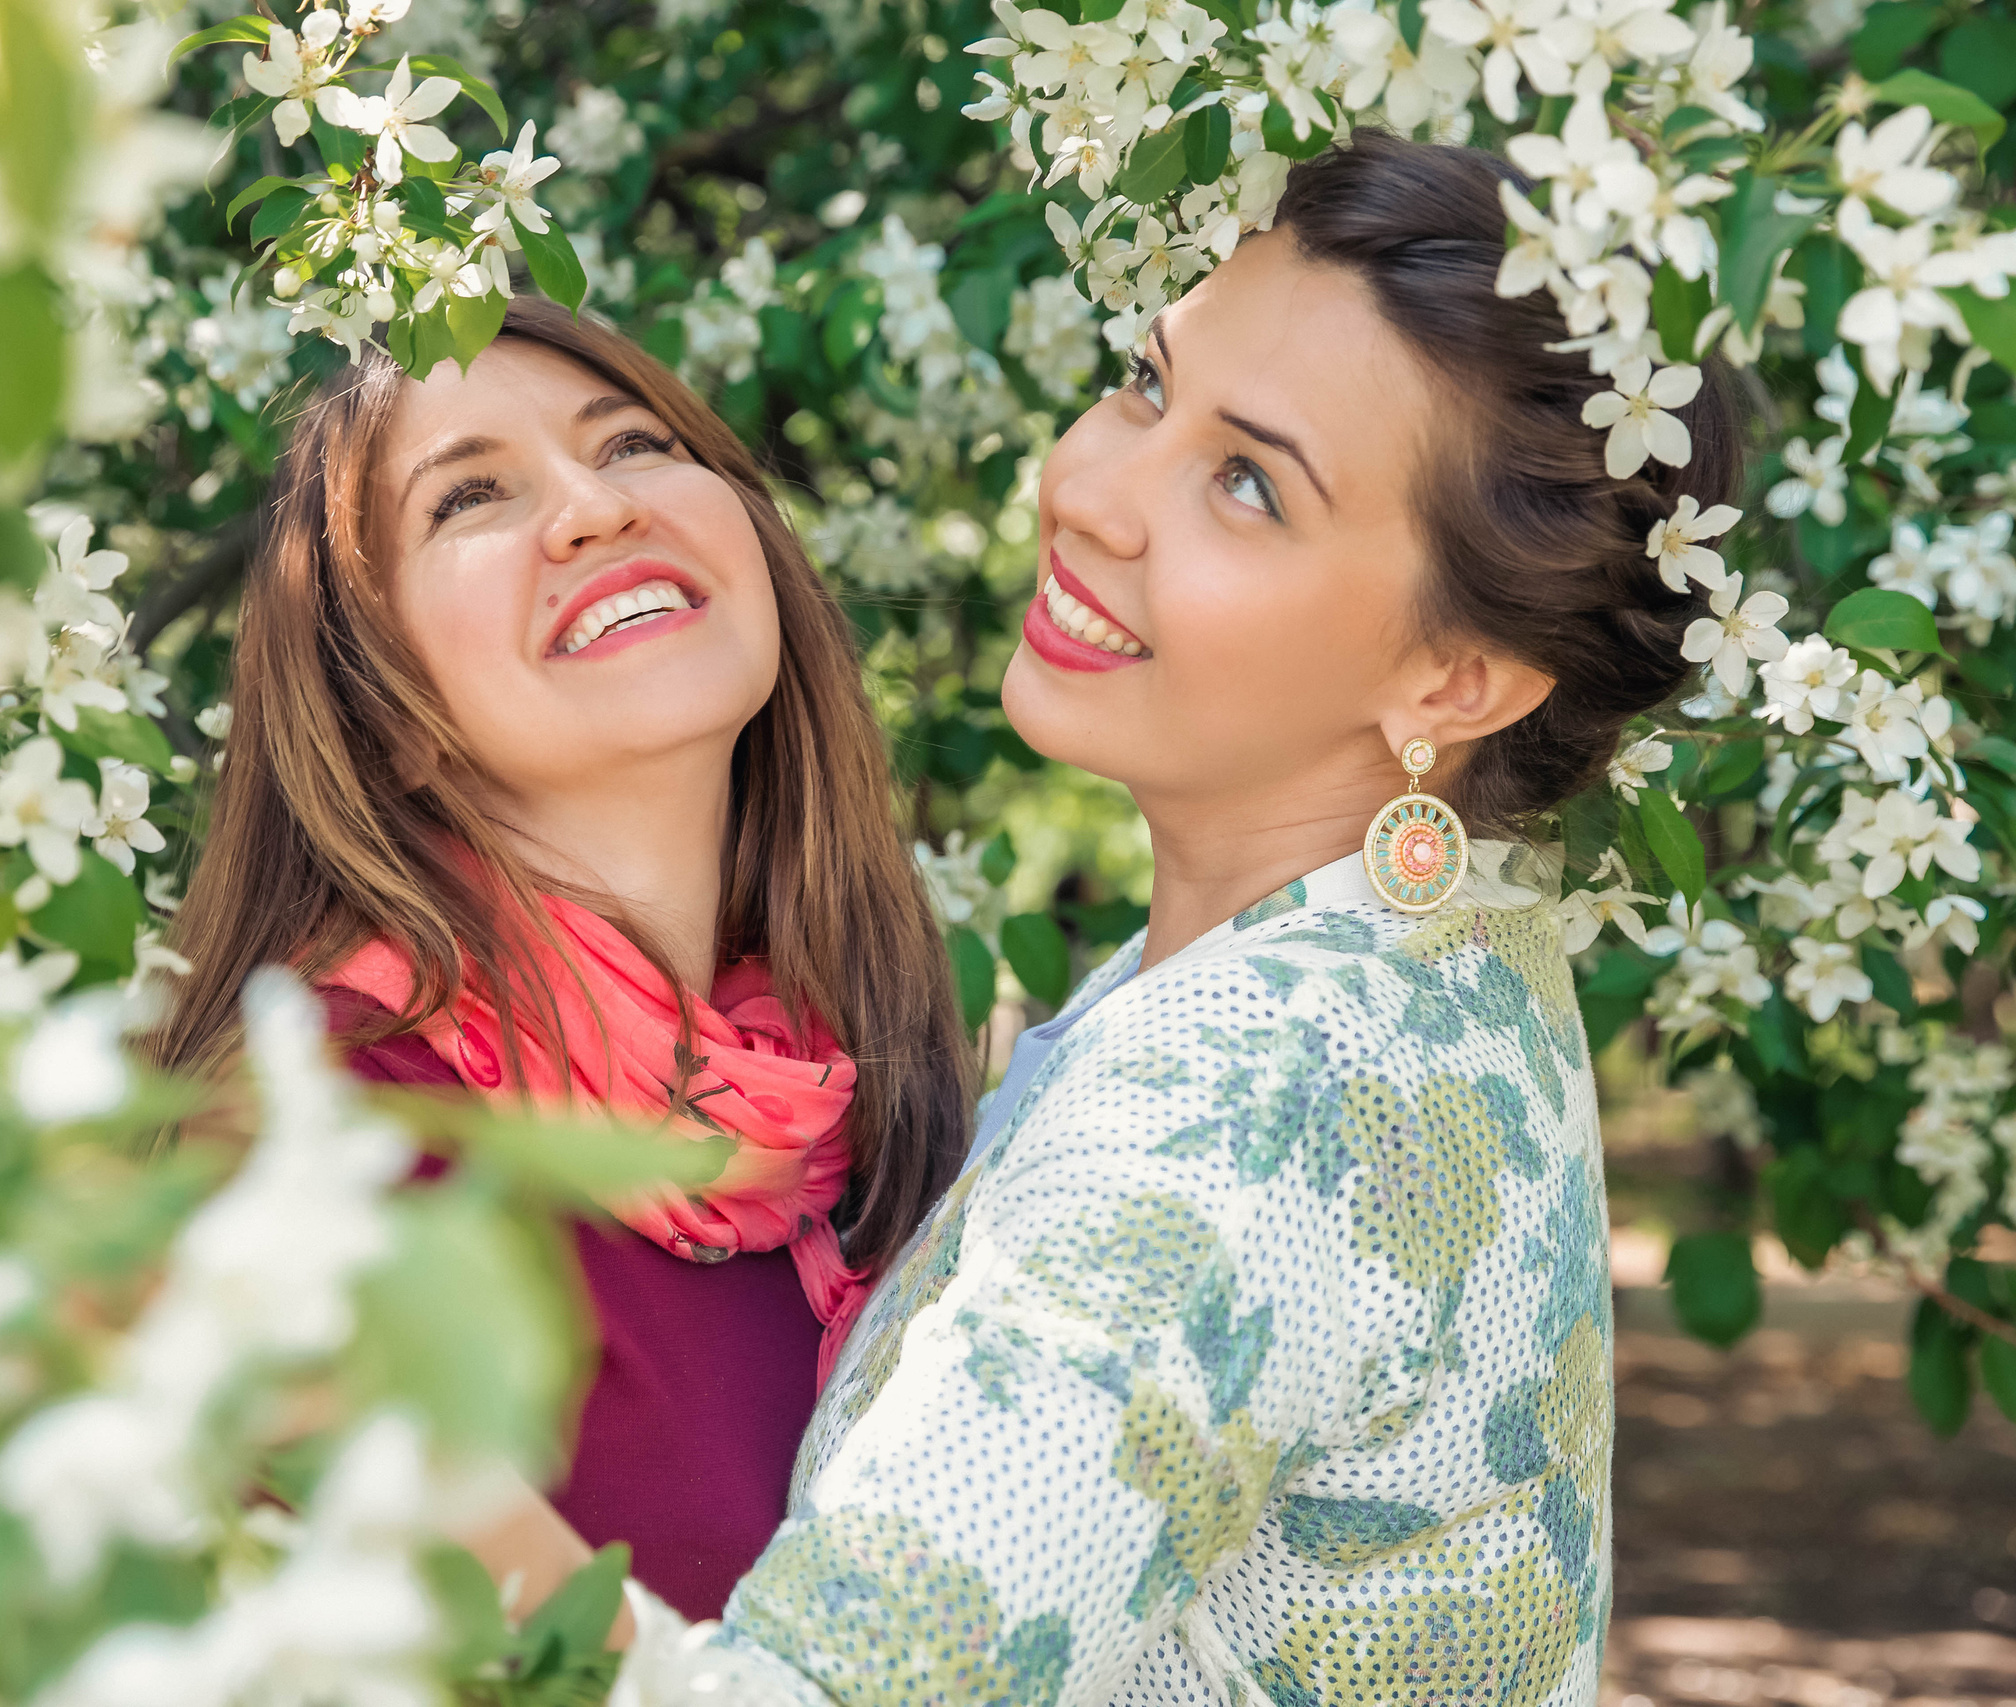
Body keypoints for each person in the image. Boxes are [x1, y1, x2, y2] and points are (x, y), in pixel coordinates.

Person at [615, 130, 1745, 1703]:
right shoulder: (1445, 967)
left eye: (1245, 485)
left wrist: (362, 1441)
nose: (1089, 490)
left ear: (1455, 681)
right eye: (1148, 385)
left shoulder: (1246, 1107)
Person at [147, 299, 972, 1623]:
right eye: (468, 497)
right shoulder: (319, 1150)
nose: (594, 509)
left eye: (635, 444)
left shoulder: (860, 1116)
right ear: (380, 712)